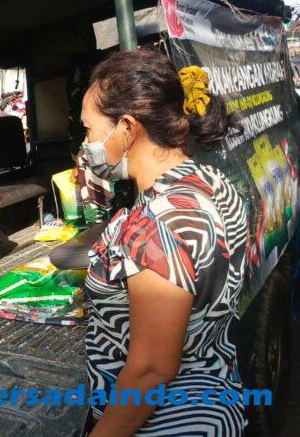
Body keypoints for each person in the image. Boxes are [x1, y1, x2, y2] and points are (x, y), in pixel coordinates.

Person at [82, 49, 247, 436]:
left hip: (164, 423)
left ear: (127, 127)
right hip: (215, 403)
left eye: (88, 130)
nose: (85, 143)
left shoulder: (156, 225)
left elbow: (151, 370)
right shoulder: (212, 182)